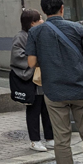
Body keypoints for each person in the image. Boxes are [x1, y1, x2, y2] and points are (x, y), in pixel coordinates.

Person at [26, 0, 83, 164]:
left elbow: (31, 62)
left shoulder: (35, 32)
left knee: (61, 140)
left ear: (43, 10)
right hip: (81, 89)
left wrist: (47, 60)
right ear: (62, 8)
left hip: (54, 92)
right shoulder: (77, 28)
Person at [11, 9, 53, 152]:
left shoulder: (40, 33)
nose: (42, 20)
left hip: (43, 78)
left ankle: (50, 138)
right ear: (32, 23)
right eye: (40, 18)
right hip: (32, 80)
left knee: (46, 109)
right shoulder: (21, 37)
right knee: (34, 110)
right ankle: (35, 141)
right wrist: (37, 58)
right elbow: (18, 56)